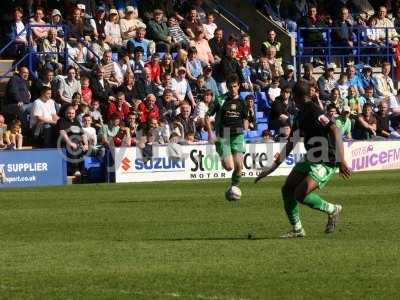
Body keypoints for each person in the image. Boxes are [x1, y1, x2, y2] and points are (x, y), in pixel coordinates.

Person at [255, 81, 351, 238]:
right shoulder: (299, 115)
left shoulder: (314, 110)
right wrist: (271, 169)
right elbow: (291, 142)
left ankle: (333, 210)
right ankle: (297, 229)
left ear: (295, 97)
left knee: (300, 193)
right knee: (287, 189)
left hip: (327, 159)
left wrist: (341, 160)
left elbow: (335, 129)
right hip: (311, 157)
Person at [205, 74, 249, 196]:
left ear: (238, 86)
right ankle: (222, 152)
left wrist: (246, 126)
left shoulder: (242, 102)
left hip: (238, 136)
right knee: (229, 167)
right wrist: (210, 134)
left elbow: (245, 118)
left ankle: (233, 187)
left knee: (239, 166)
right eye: (230, 87)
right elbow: (207, 116)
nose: (232, 89)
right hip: (223, 136)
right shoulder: (220, 99)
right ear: (227, 87)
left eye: (235, 86)